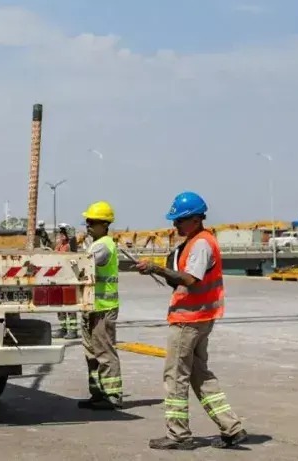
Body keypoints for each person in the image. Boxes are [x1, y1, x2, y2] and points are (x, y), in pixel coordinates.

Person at [135, 191, 248, 450]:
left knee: (176, 376)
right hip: (200, 318)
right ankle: (232, 427)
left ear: (196, 219)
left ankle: (178, 435)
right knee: (200, 376)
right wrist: (163, 270)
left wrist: (156, 268)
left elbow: (190, 280)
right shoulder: (195, 242)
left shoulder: (200, 244)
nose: (175, 225)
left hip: (189, 319)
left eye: (179, 220)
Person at [77, 201, 123, 410]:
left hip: (103, 308)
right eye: (87, 221)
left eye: (92, 222)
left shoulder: (104, 245)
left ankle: (112, 395)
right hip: (92, 307)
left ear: (105, 225)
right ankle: (97, 394)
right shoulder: (95, 244)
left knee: (104, 353)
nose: (88, 225)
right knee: (92, 354)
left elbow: (85, 265)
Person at [53, 228, 80, 340]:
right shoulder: (59, 246)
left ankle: (72, 330)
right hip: (59, 279)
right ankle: (63, 327)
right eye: (60, 234)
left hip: (68, 279)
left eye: (63, 234)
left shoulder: (69, 246)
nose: (61, 236)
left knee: (70, 305)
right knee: (60, 306)